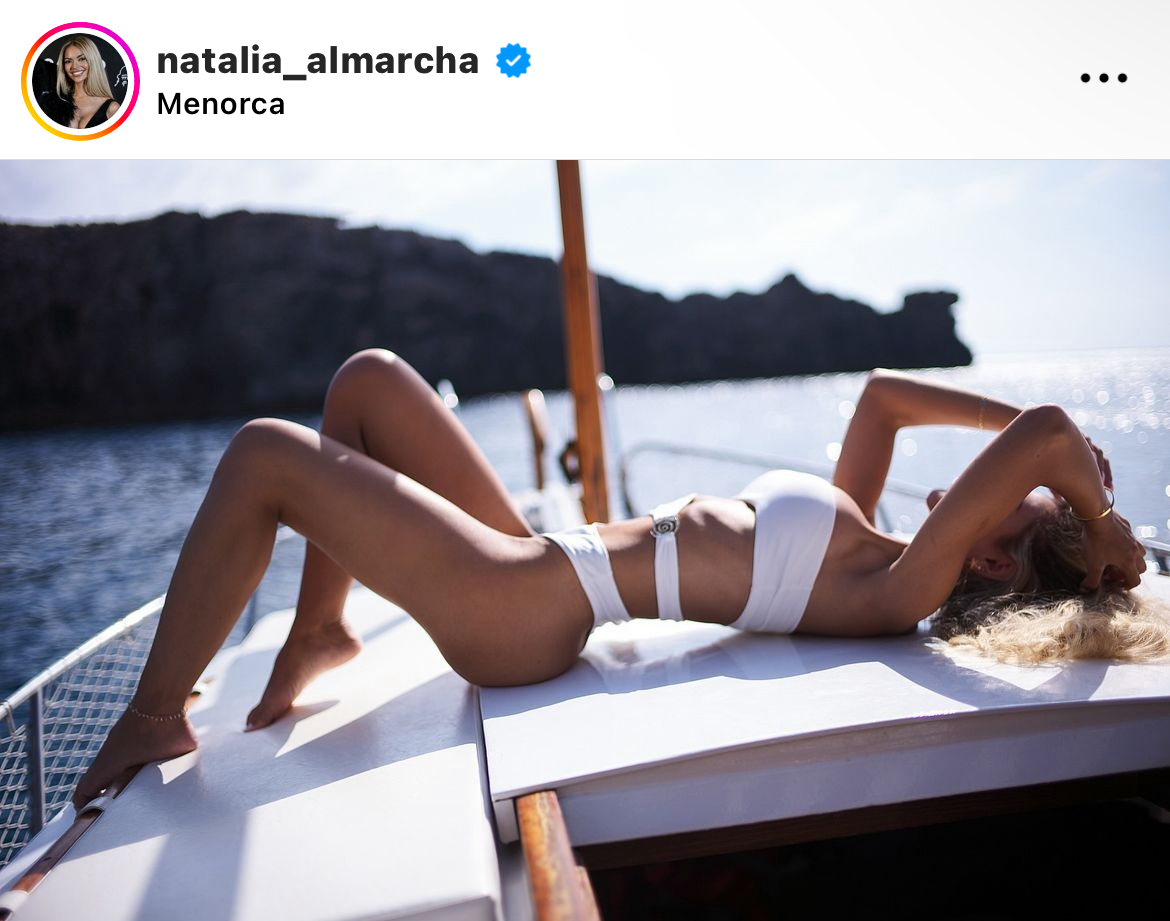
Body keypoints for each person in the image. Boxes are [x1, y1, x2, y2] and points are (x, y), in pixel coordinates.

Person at [73, 349, 1164, 806]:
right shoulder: (871, 543)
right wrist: (1063, 484)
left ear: (987, 558)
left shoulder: (900, 593)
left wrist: (1099, 514)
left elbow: (1045, 432)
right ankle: (322, 628)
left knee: (265, 454)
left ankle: (156, 716)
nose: (977, 481)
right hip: (553, 559)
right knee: (368, 384)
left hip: (526, 607)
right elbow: (882, 395)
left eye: (1013, 498)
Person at [54, 36, 120, 129]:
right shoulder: (56, 101)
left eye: (81, 59)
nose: (74, 66)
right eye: (68, 61)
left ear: (93, 61)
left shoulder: (112, 108)